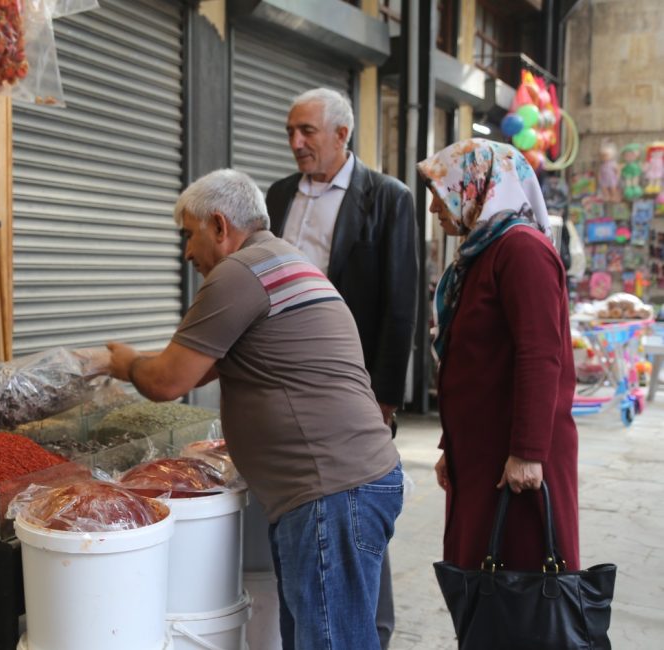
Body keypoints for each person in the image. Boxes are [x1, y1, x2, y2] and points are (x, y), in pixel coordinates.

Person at [106, 169, 403, 650]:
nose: (186, 253)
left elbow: (169, 381)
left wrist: (120, 364)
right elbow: (202, 365)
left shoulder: (240, 273)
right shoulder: (285, 260)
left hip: (330, 491)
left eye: (188, 234)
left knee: (330, 642)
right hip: (346, 483)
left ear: (220, 227)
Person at [265, 87, 417, 648]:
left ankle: (369, 627)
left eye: (307, 131)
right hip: (286, 377)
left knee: (354, 501)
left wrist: (384, 398)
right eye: (290, 131)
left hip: (351, 381)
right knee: (312, 503)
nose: (297, 142)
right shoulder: (279, 194)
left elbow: (400, 303)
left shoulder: (386, 198)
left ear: (342, 135)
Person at [418, 138, 579, 575]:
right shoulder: (483, 250)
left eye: (441, 192)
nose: (435, 208)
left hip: (517, 455)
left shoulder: (521, 250)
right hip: (484, 450)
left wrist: (527, 451)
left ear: (478, 186)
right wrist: (452, 444)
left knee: (520, 588)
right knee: (482, 580)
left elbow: (540, 354)